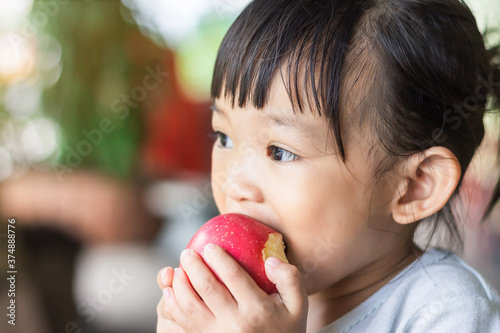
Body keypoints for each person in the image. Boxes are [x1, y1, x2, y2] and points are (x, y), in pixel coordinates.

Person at [155, 0, 500, 331]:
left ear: (414, 186)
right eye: (224, 137)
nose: (234, 184)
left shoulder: (449, 314)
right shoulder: (239, 307)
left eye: (281, 152)